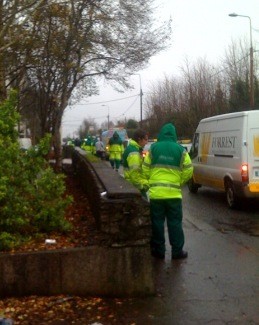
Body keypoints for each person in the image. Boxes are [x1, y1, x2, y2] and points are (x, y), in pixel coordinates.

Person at [142, 123, 193, 260]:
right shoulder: (181, 150)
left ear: (161, 134)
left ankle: (159, 251)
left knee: (157, 223)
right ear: (174, 135)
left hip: (156, 195)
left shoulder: (153, 148)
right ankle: (177, 252)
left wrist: (151, 181)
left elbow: (145, 168)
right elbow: (189, 170)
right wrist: (179, 182)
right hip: (173, 195)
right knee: (175, 223)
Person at [122, 129, 149, 194]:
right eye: (145, 139)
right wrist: (141, 187)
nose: (147, 142)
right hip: (135, 188)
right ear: (139, 139)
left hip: (130, 184)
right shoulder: (134, 152)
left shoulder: (132, 148)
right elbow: (135, 174)